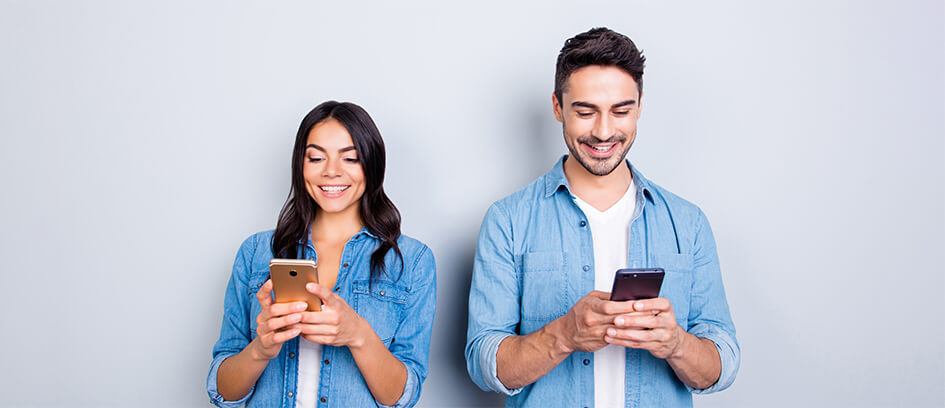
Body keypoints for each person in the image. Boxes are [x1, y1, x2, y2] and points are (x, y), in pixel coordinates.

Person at [465, 27, 739, 407]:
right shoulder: (508, 221)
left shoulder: (687, 223)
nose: (604, 131)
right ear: (558, 107)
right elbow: (484, 365)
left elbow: (722, 365)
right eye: (585, 111)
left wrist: (676, 343)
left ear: (640, 106)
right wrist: (563, 335)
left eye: (621, 110)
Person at [207, 101, 436, 408]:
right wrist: (261, 349)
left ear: (372, 164)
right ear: (300, 165)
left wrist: (358, 334)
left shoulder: (412, 262)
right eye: (316, 157)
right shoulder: (256, 252)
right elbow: (223, 392)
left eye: (350, 158)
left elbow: (401, 397)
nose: (331, 171)